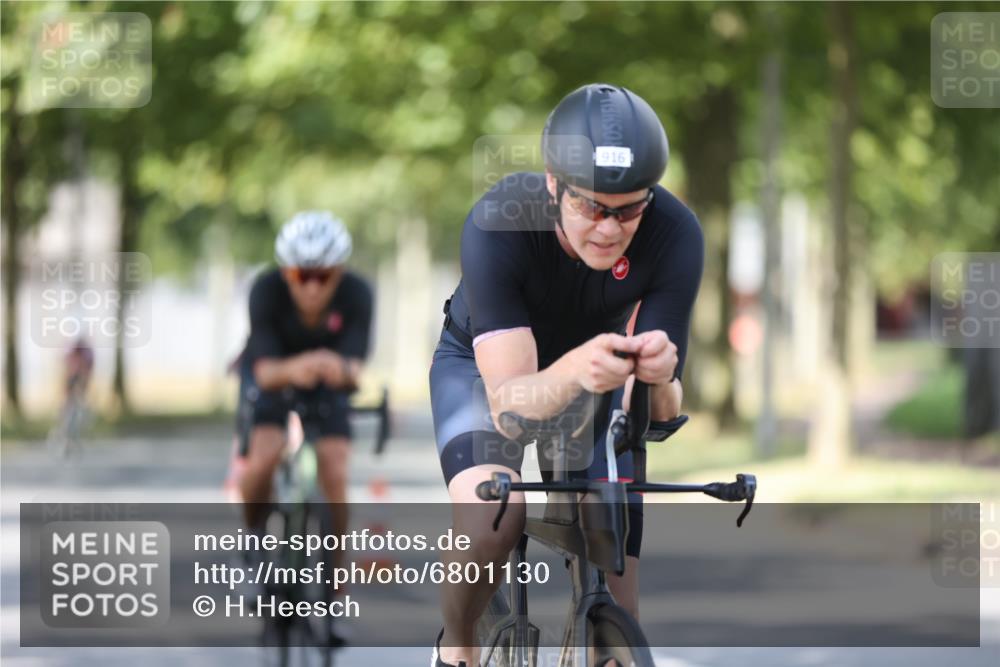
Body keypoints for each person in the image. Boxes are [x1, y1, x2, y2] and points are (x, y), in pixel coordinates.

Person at [429, 84, 703, 667]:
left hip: (594, 373)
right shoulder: (498, 223)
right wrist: (577, 367)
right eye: (590, 207)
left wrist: (659, 376)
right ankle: (458, 641)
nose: (608, 228)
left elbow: (656, 414)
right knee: (494, 520)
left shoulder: (676, 234)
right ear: (553, 184)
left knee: (614, 551)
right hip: (486, 373)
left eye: (629, 209)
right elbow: (508, 403)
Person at [236, 211, 374, 549]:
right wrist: (312, 362)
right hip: (270, 380)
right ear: (286, 273)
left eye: (323, 276)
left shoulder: (358, 294)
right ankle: (252, 545)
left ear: (339, 273)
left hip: (328, 386)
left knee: (336, 471)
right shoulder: (265, 291)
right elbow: (266, 373)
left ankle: (335, 578)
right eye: (302, 275)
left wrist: (335, 370)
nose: (312, 287)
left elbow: (353, 373)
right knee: (262, 459)